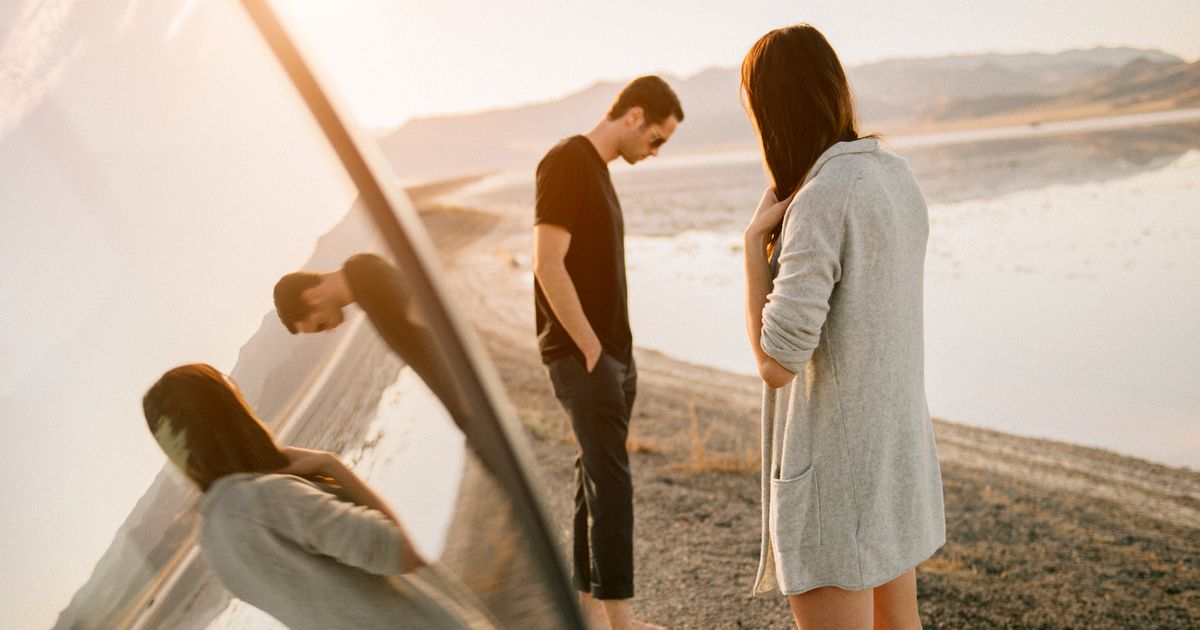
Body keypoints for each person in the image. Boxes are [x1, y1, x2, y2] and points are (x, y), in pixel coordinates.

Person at [740, 25, 946, 629]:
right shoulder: (895, 176)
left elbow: (776, 363)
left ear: (770, 110)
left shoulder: (824, 197)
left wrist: (753, 246)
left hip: (836, 477)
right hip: (892, 459)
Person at [141, 364, 495, 629]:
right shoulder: (266, 498)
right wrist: (333, 466)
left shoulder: (212, 541)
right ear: (227, 415)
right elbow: (402, 552)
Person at [532, 75, 682, 630]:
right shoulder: (567, 161)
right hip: (585, 357)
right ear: (635, 116)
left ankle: (588, 612)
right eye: (657, 138)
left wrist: (615, 353)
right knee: (611, 481)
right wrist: (592, 348)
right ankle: (621, 620)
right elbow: (547, 263)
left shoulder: (596, 170)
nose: (655, 151)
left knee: (592, 479)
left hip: (610, 357)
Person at [273, 253, 469, 433]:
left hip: (471, 394)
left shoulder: (364, 274)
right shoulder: (362, 284)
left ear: (311, 297)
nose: (328, 330)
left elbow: (432, 321)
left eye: (320, 325)